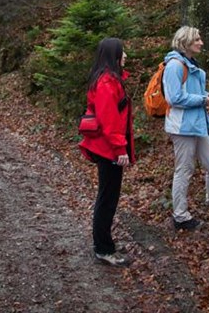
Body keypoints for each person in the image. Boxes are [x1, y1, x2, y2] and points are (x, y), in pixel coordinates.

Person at [79, 38, 135, 266]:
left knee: (108, 197)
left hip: (107, 148)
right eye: (123, 53)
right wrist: (120, 149)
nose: (126, 56)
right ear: (114, 55)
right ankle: (103, 248)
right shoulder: (106, 83)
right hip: (108, 150)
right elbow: (109, 120)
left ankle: (104, 243)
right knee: (107, 198)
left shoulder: (110, 80)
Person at [163, 26, 209, 231]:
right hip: (182, 127)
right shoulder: (174, 66)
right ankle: (180, 216)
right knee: (184, 170)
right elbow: (174, 97)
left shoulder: (190, 64)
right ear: (186, 42)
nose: (201, 42)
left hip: (198, 124)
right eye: (197, 39)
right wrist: (202, 99)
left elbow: (193, 91)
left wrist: (206, 96)